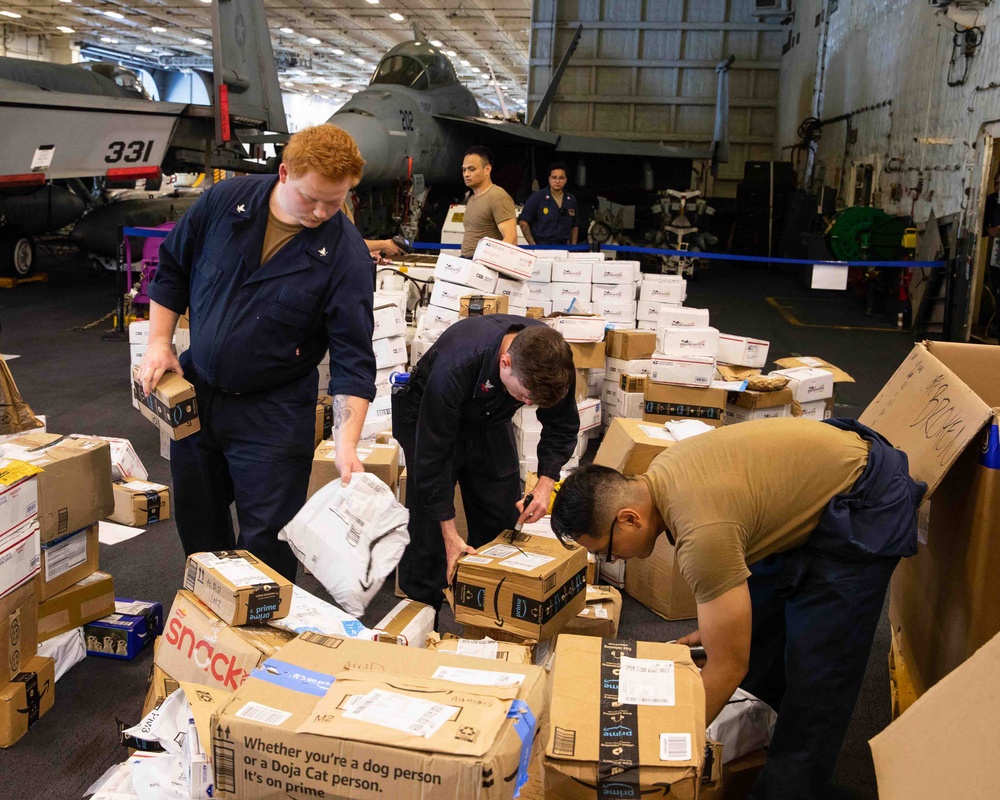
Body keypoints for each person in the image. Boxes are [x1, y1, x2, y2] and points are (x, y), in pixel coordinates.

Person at [549, 417, 926, 800]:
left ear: (629, 519)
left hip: (867, 502)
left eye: (604, 550)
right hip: (818, 482)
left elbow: (729, 664)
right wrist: (720, 633)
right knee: (758, 633)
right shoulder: (659, 475)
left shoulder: (701, 536)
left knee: (817, 679)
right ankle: (750, 747)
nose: (609, 559)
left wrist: (653, 761)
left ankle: (786, 786)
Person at [139, 124, 378, 582]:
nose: (324, 211)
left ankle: (263, 639)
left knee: (268, 536)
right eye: (313, 198)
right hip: (198, 392)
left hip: (274, 412)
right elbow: (173, 269)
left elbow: (353, 360)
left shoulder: (347, 257)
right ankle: (212, 622)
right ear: (285, 173)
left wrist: (346, 444)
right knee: (198, 516)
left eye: (338, 200)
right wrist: (158, 343)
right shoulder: (224, 201)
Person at [393, 315, 580, 608]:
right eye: (526, 396)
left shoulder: (555, 363)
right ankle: (423, 614)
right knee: (430, 529)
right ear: (505, 362)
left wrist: (546, 483)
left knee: (500, 514)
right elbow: (434, 457)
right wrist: (450, 533)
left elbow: (563, 425)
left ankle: (489, 607)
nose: (528, 405)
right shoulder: (454, 366)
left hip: (491, 417)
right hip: (427, 416)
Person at [460, 146, 517, 257]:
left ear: (487, 170)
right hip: (468, 261)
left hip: (483, 264)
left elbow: (511, 238)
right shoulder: (472, 199)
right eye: (464, 170)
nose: (466, 174)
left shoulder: (498, 197)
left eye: (472, 169)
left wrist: (490, 262)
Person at [518, 161, 579, 246]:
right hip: (542, 247)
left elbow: (574, 226)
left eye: (561, 178)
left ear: (566, 179)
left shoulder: (571, 200)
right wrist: (533, 244)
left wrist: (573, 247)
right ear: (549, 178)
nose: (557, 181)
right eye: (554, 177)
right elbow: (523, 222)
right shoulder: (537, 197)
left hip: (564, 248)